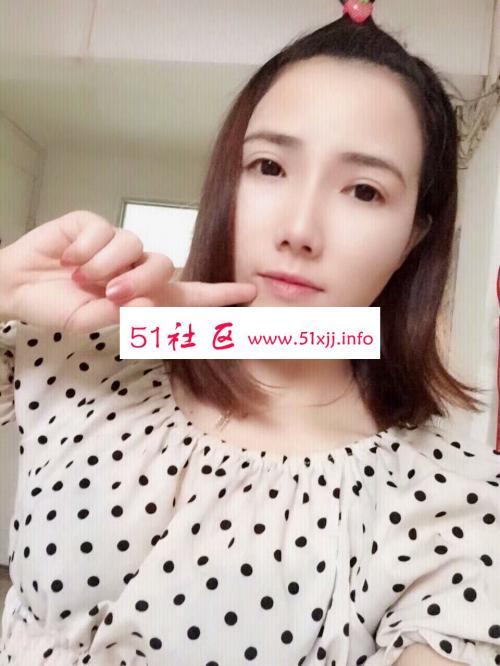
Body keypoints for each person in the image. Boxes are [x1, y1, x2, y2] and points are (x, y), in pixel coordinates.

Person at [0, 1, 499, 664]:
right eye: (269, 167)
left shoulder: (449, 503)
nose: (299, 229)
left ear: (414, 236)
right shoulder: (91, 356)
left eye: (364, 190)